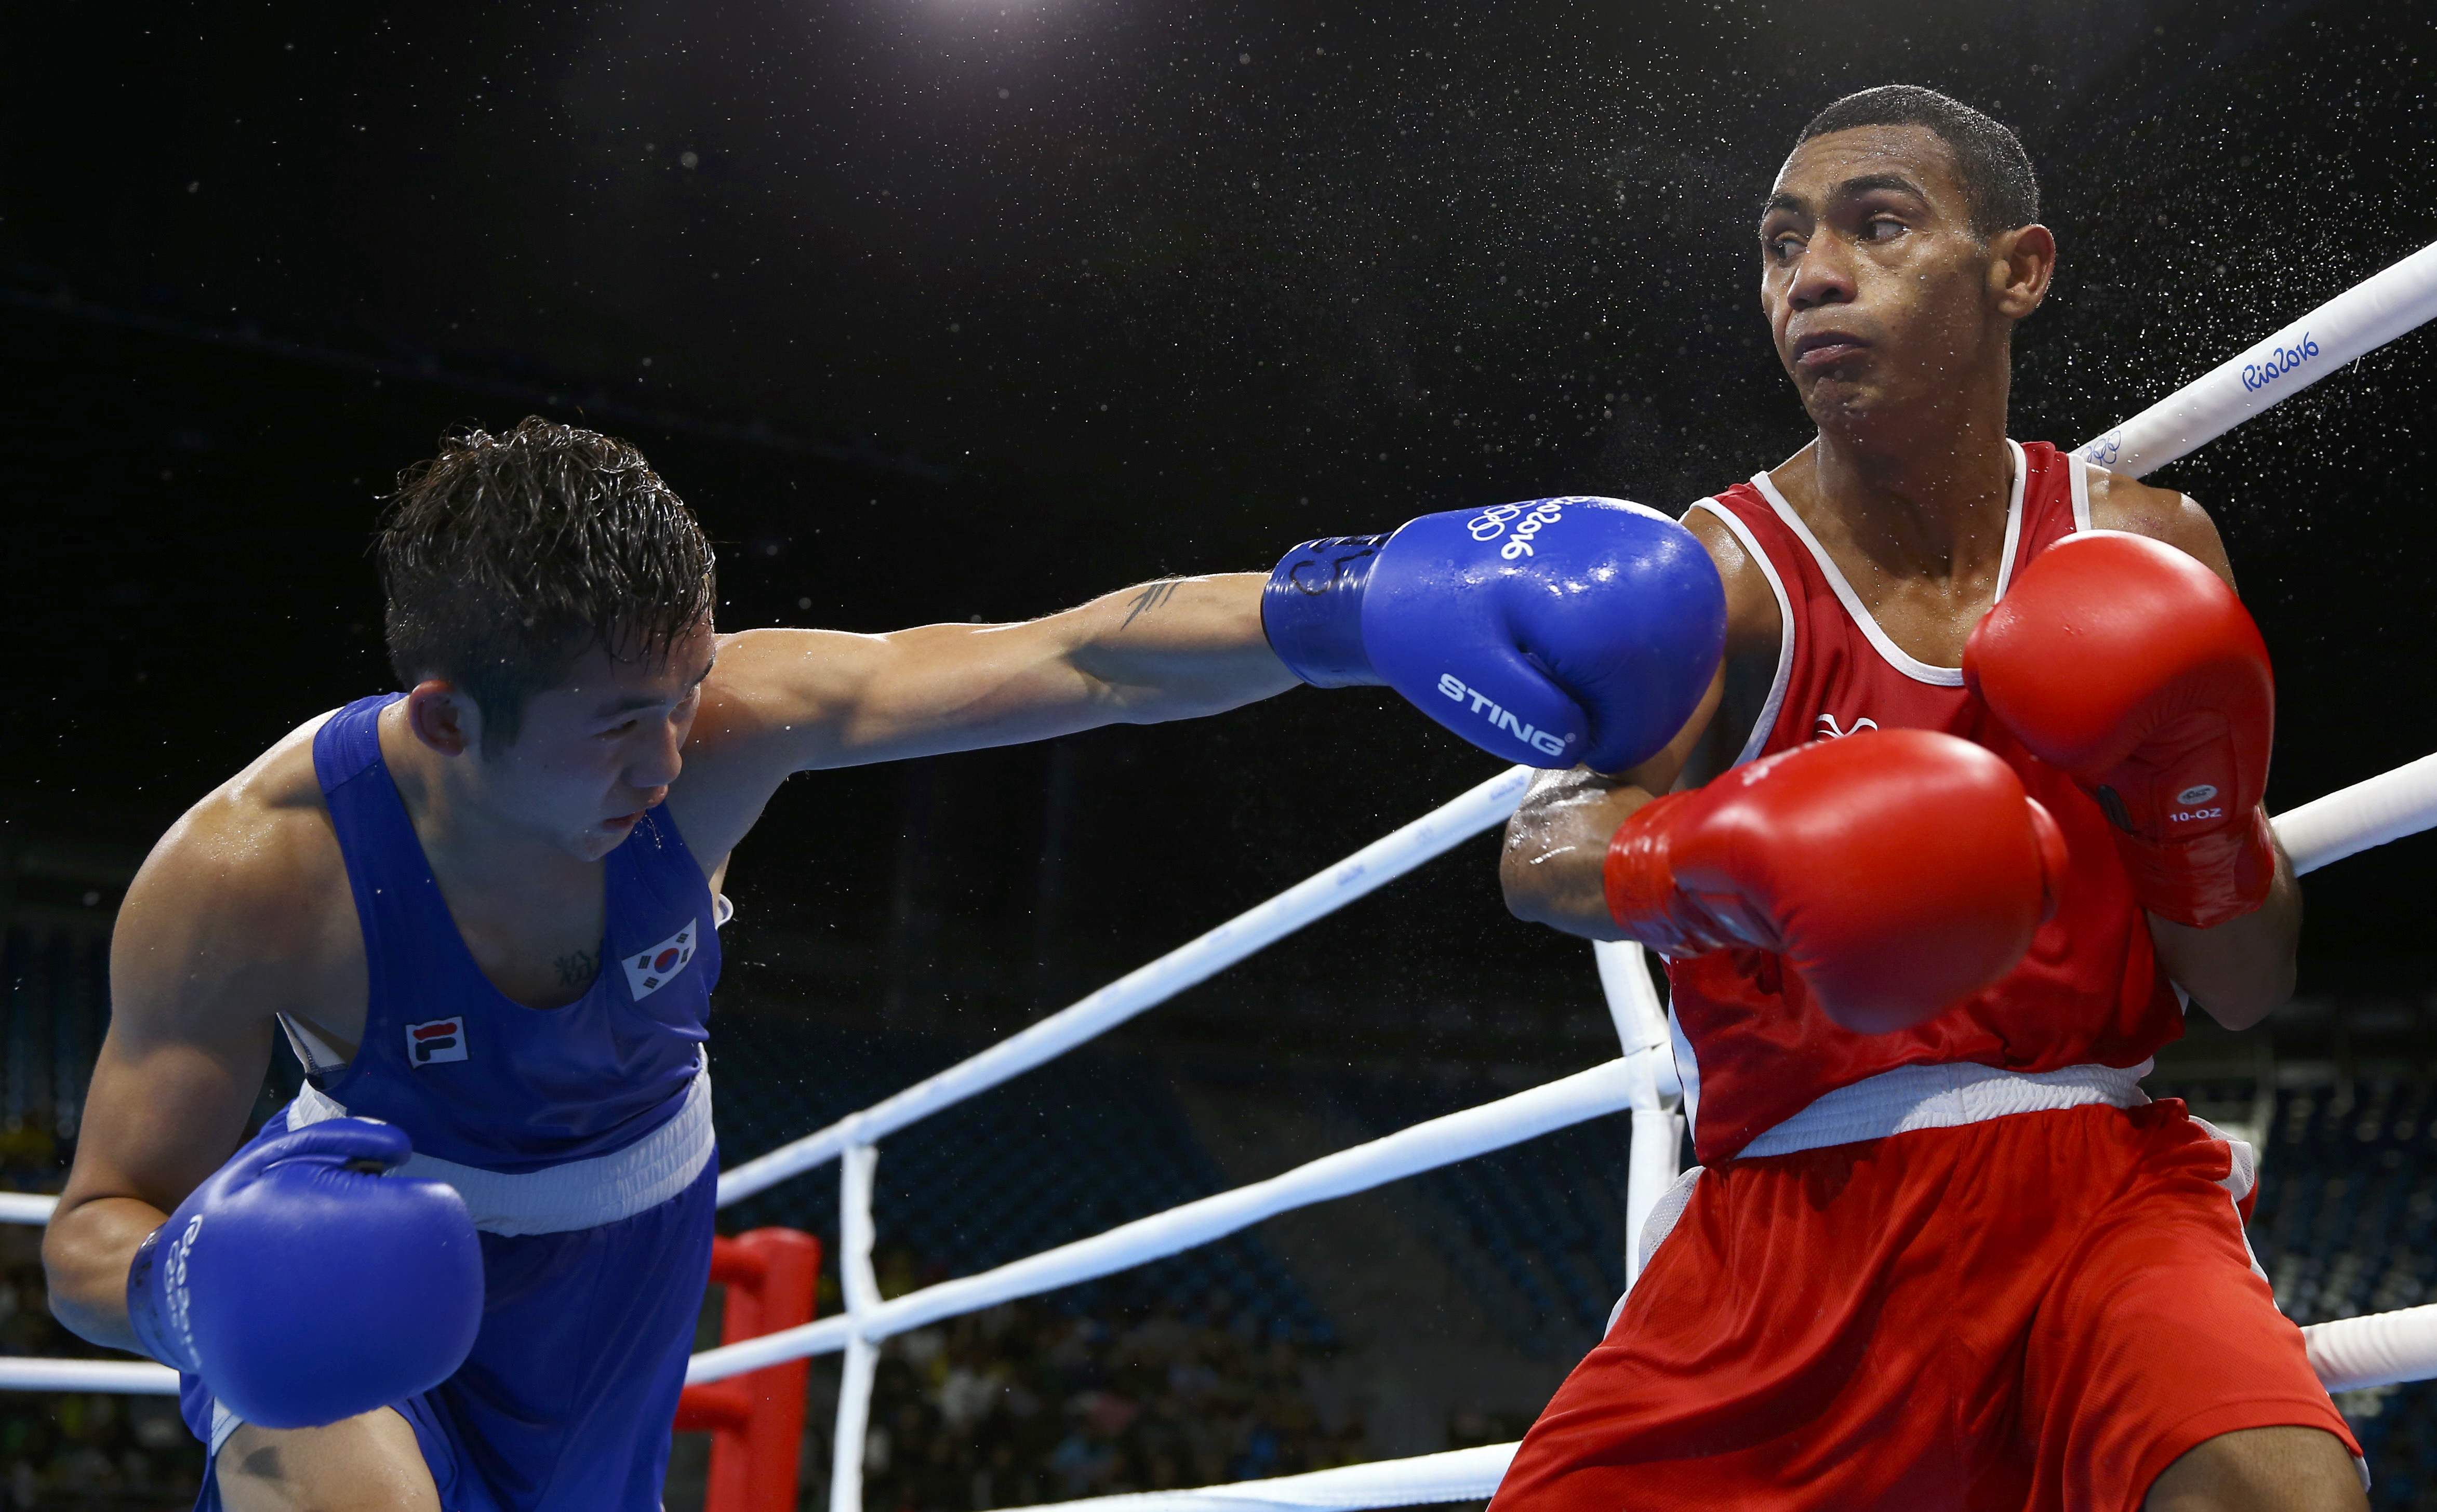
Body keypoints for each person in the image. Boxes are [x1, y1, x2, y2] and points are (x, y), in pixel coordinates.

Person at [39, 418, 1727, 1511]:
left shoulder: (715, 728)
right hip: (357, 1266)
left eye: (687, 687)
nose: (674, 749)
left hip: (628, 1269)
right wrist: (202, 1283)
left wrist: (1347, 609)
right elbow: (92, 1230)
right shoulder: (252, 873)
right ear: (443, 720)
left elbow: (1073, 657)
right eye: (624, 722)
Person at [1492, 86, 2364, 1512]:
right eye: (1779, 247)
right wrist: (1720, 854)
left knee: (2279, 1497)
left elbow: (2245, 986)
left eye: (1874, 226)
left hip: (2103, 1197)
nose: (1811, 276)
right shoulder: (1720, 574)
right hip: (1788, 1231)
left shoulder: (2144, 545)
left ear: (2016, 269)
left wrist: (2190, 814)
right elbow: (1543, 849)